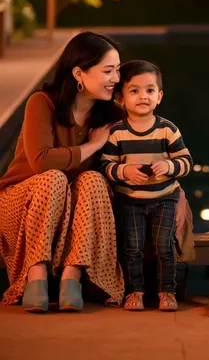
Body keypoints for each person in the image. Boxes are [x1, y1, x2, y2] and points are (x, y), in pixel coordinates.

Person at [0, 31, 125, 312]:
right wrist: (92, 145)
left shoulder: (110, 116)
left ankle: (72, 277)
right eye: (108, 71)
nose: (116, 79)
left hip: (74, 209)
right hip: (23, 202)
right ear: (79, 73)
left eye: (117, 70)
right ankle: (36, 276)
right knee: (53, 177)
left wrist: (175, 199)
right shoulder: (42, 103)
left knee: (93, 179)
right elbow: (41, 162)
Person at [100, 60, 193, 312]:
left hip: (164, 197)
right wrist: (124, 171)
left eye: (150, 90)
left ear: (159, 96)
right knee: (132, 247)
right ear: (120, 98)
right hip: (130, 199)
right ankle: (135, 291)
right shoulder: (118, 133)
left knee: (164, 245)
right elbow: (106, 165)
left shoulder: (167, 130)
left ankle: (167, 291)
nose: (143, 96)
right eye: (135, 91)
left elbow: (186, 161)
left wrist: (170, 167)